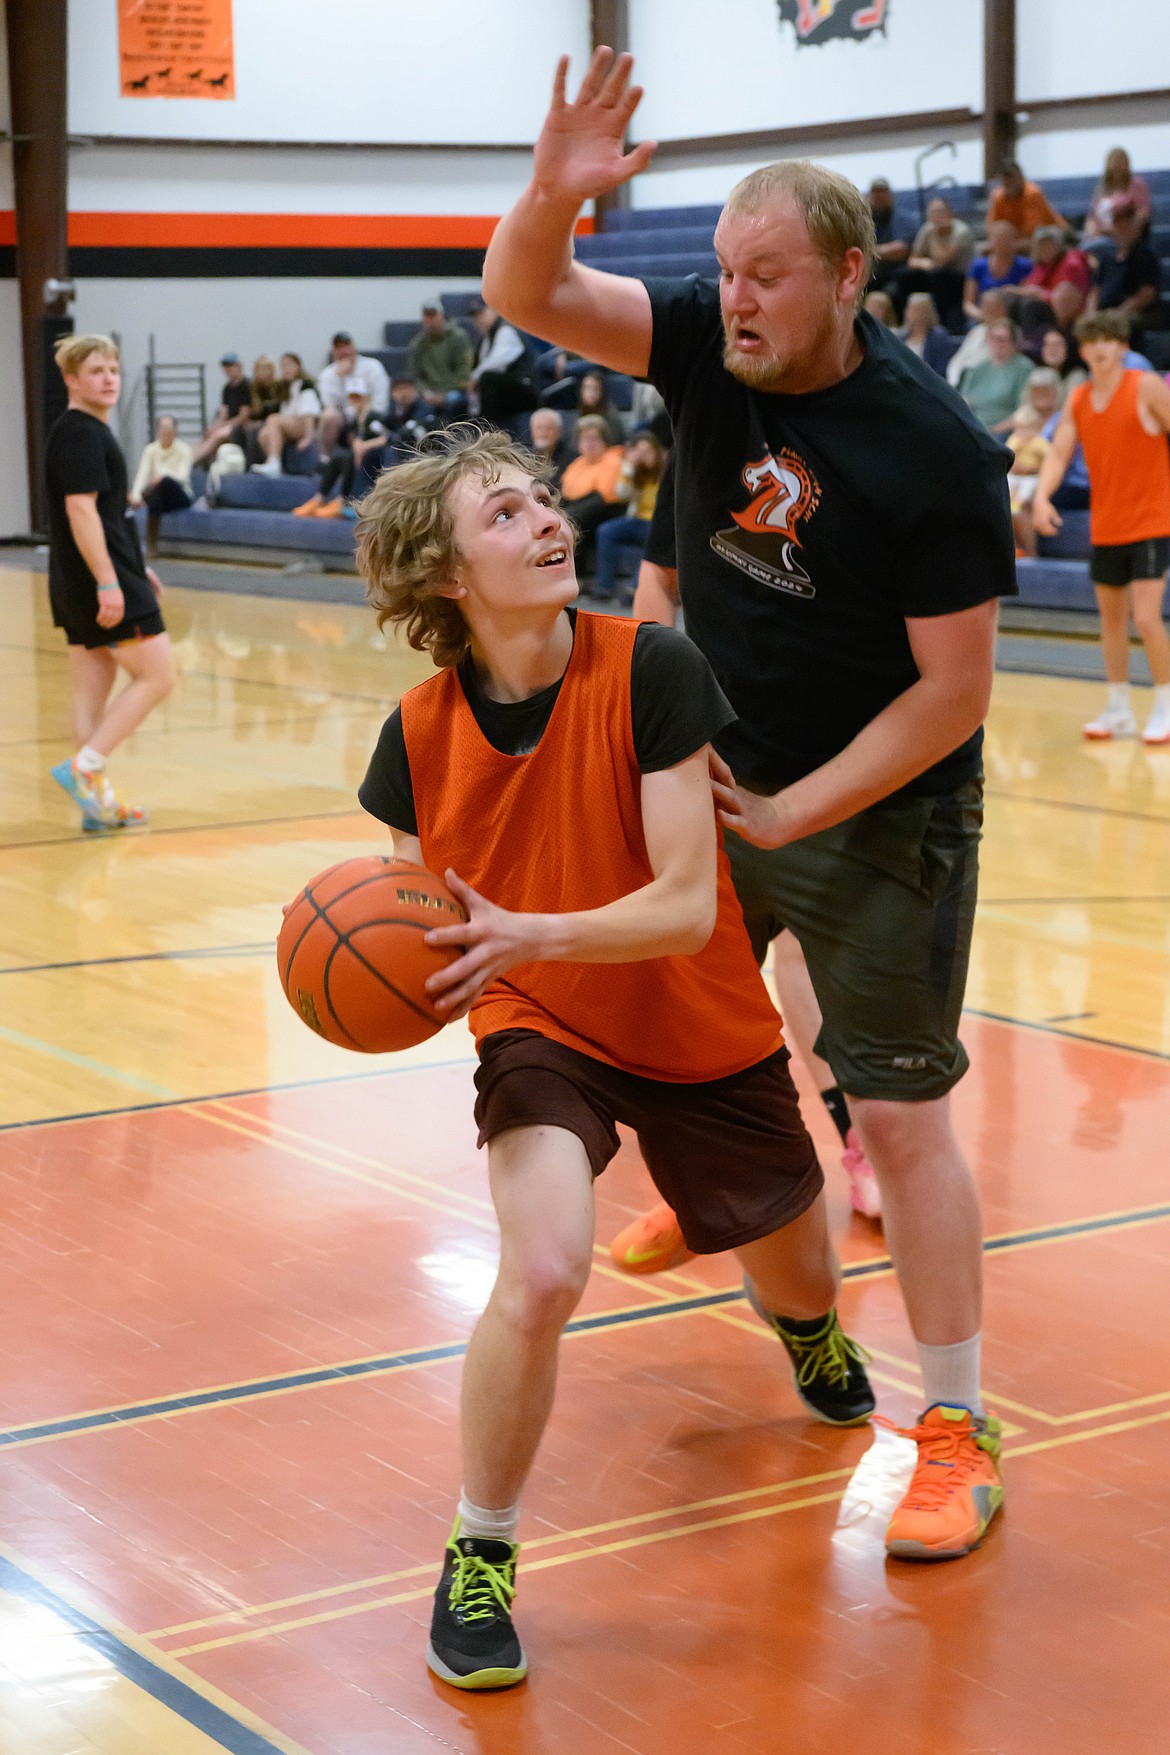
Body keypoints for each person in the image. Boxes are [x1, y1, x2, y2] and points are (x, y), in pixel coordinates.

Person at [482, 46, 1015, 1565]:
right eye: (723, 272)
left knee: (901, 1117)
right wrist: (549, 194)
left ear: (850, 275)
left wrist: (793, 816)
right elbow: (529, 295)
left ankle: (958, 1423)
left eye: (767, 275)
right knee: (686, 1038)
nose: (739, 301)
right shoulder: (713, 347)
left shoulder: (932, 451)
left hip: (879, 809)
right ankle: (742, 1218)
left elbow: (952, 694)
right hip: (717, 779)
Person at [354, 427, 875, 1688]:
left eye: (545, 499)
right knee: (538, 1271)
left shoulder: (655, 668)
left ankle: (802, 1328)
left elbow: (690, 907)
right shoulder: (416, 735)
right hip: (541, 1026)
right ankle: (480, 1553)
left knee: (796, 1276)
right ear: (443, 574)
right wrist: (389, 979)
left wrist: (528, 926)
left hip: (694, 1018)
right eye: (505, 514)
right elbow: (403, 917)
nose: (545, 520)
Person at [622, 455, 883, 1242]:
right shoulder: (702, 436)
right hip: (719, 749)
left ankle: (858, 1142)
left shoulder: (869, 438)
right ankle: (711, 1172)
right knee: (694, 971)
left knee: (802, 958)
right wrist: (653, 712)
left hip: (833, 753)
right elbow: (658, 585)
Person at [44, 335, 177, 830]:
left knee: (91, 694)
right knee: (159, 674)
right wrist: (109, 579)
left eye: (113, 370)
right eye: (96, 370)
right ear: (71, 379)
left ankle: (95, 805)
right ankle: (87, 767)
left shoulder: (79, 431)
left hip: (80, 577)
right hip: (97, 579)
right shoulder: (80, 433)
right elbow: (80, 510)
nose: (108, 378)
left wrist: (132, 565)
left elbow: (103, 515)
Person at [1033, 309, 1170, 744]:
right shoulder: (1077, 400)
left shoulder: (1145, 386)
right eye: (1092, 341)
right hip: (1106, 524)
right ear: (1083, 351)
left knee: (1146, 617)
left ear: (1124, 346)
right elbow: (1057, 455)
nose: (1101, 347)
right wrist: (1039, 497)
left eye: (1109, 339)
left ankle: (1165, 706)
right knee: (1111, 622)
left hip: (1151, 518)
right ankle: (1118, 709)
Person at [293, 383, 389, 518]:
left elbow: (386, 438)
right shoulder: (354, 418)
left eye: (358, 398)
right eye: (352, 398)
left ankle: (345, 501)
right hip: (360, 456)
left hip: (375, 458)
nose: (355, 402)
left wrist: (364, 446)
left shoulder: (375, 416)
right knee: (339, 458)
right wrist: (356, 444)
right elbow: (352, 438)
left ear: (366, 398)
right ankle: (319, 498)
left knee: (350, 458)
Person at [592, 429, 667, 599]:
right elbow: (622, 494)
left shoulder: (667, 471)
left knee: (654, 535)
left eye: (648, 451)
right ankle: (604, 586)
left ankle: (634, 589)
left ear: (657, 451)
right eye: (639, 452)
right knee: (606, 530)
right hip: (637, 521)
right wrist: (629, 467)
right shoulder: (635, 472)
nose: (644, 456)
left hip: (659, 524)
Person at [558, 413, 625, 567]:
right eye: (585, 438)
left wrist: (567, 515)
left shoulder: (613, 461)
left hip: (605, 511)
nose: (589, 443)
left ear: (605, 440)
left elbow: (603, 498)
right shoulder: (576, 464)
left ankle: (576, 573)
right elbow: (564, 494)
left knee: (571, 520)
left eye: (594, 438)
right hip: (581, 507)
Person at [901, 195, 976, 328]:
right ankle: (907, 321)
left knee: (938, 275)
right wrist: (925, 264)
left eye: (940, 212)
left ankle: (943, 324)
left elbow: (942, 261)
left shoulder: (961, 231)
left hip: (961, 278)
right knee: (906, 275)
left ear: (950, 213)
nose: (937, 216)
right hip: (935, 273)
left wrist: (935, 234)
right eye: (933, 212)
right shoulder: (926, 228)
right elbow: (912, 259)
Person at [467, 297, 539, 426]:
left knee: (487, 378)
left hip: (527, 390)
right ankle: (479, 424)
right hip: (508, 393)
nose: (478, 320)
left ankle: (486, 426)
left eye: (482, 314)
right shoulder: (486, 338)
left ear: (493, 310)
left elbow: (497, 363)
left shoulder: (506, 330)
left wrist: (474, 378)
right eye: (475, 317)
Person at [129, 413, 194, 553]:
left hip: (180, 496)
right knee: (154, 500)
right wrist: (135, 495)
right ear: (158, 430)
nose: (165, 431)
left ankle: (147, 497)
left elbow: (182, 477)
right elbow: (142, 474)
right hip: (160, 497)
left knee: (163, 482)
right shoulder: (151, 449)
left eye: (168, 428)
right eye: (162, 427)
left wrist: (162, 476)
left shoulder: (184, 449)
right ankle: (151, 545)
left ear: (175, 430)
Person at [316, 332, 391, 454]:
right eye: (339, 348)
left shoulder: (373, 367)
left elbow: (381, 402)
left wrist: (363, 418)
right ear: (333, 352)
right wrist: (340, 377)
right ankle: (325, 459)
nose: (344, 351)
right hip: (343, 425)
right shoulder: (327, 374)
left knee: (374, 421)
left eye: (346, 346)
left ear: (354, 347)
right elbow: (329, 405)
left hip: (370, 419)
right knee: (328, 415)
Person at [958, 318, 1035, 432]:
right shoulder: (978, 368)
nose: (998, 344)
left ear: (1013, 342)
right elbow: (964, 402)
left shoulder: (1024, 368)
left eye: (1003, 339)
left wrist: (994, 430)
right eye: (993, 339)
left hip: (1006, 429)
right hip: (977, 428)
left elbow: (1025, 408)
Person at [1091, 203, 1163, 324]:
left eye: (1126, 224)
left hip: (1130, 315)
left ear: (1136, 227)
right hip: (1105, 315)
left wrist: (1119, 312)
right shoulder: (1107, 257)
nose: (1122, 229)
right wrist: (1091, 314)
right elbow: (1096, 290)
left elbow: (1147, 294)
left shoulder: (1144, 255)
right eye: (1118, 224)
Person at [251, 352, 322, 476]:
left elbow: (309, 413)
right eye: (283, 366)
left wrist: (308, 437)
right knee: (264, 434)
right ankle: (276, 466)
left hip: (306, 425)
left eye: (289, 365)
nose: (286, 369)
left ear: (298, 366)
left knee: (273, 419)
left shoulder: (305, 385)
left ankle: (274, 462)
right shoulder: (286, 389)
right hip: (292, 424)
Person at [406, 301, 475, 421]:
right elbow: (415, 375)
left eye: (434, 315)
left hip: (455, 389)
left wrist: (443, 394)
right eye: (427, 316)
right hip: (429, 393)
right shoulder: (418, 344)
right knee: (418, 408)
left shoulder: (459, 338)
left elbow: (464, 370)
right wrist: (425, 392)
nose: (431, 319)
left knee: (454, 401)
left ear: (442, 315)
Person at [961, 221, 1032, 323]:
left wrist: (1014, 291)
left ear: (1015, 241)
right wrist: (984, 317)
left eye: (1006, 239)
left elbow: (1029, 294)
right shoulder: (978, 266)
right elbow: (968, 304)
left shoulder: (1024, 265)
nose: (1002, 243)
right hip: (982, 318)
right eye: (998, 238)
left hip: (1013, 318)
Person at [1005, 404, 1051, 556]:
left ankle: (1031, 552)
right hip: (1014, 477)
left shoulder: (1040, 443)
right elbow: (1008, 461)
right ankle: (1015, 549)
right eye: (1020, 429)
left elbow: (1051, 462)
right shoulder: (1014, 441)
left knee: (1022, 504)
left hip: (1031, 479)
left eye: (1027, 428)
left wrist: (1031, 469)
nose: (1023, 433)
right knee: (1006, 501)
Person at [192, 352, 252, 465]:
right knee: (209, 434)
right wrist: (213, 427)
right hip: (228, 425)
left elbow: (243, 416)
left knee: (217, 435)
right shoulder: (227, 388)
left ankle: (192, 460)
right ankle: (191, 458)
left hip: (239, 427)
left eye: (230, 367)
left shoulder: (246, 385)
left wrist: (221, 427)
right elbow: (223, 414)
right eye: (225, 368)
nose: (227, 371)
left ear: (239, 366)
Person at [986, 159, 1065, 243]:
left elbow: (1032, 232)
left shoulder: (1033, 194)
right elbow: (992, 229)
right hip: (1017, 242)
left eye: (1012, 179)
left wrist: (1009, 243)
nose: (1009, 183)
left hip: (1052, 235)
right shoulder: (998, 197)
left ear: (1020, 177)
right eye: (1005, 180)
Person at [1083, 147, 1152, 241]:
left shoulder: (1137, 184)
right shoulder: (1102, 187)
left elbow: (1143, 212)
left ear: (1127, 163)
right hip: (1101, 234)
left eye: (1120, 160)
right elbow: (1093, 215)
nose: (1117, 165)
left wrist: (1122, 229)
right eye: (1114, 161)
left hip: (1126, 234)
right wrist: (1092, 230)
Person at [866, 175, 912, 293]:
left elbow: (900, 250)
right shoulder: (864, 220)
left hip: (897, 274)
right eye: (876, 192)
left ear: (890, 194)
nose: (879, 196)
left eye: (883, 192)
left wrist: (870, 252)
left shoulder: (903, 218)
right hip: (870, 275)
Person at [898, 291, 955, 376]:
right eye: (912, 309)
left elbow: (942, 367)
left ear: (929, 312)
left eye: (920, 309)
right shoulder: (900, 337)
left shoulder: (939, 337)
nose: (915, 313)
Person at [527, 406, 573, 487]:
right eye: (539, 428)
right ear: (531, 431)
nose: (543, 433)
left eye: (548, 428)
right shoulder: (524, 457)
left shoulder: (570, 459)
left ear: (559, 431)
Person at [575, 368, 624, 442]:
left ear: (602, 391)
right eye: (587, 388)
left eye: (595, 388)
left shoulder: (611, 416)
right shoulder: (579, 411)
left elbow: (612, 442)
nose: (590, 393)